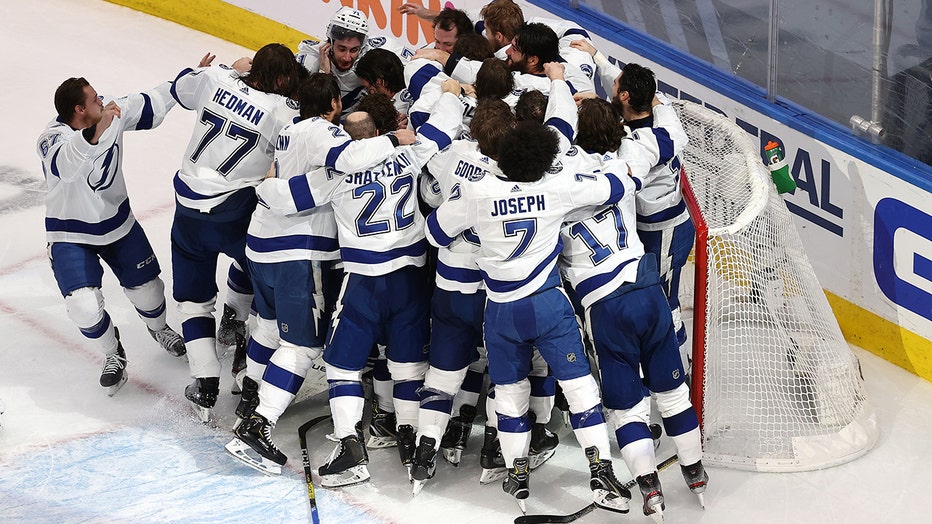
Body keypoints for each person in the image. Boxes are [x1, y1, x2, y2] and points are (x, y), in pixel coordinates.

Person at [423, 63, 625, 513]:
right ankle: (600, 469)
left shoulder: (478, 193)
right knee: (580, 389)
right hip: (549, 305)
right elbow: (616, 185)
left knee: (508, 392)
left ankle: (515, 473)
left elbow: (435, 233)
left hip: (500, 311)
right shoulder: (557, 188)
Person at [255, 80, 459, 489]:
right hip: (410, 279)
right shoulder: (410, 153)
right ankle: (409, 438)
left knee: (341, 366)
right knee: (408, 365)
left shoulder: (332, 174)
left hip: (363, 282)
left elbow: (282, 199)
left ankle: (350, 444)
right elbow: (443, 129)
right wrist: (450, 92)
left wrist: (266, 180)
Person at [226, 73, 412, 475]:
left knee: (270, 328)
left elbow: (278, 192)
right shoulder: (342, 153)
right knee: (303, 348)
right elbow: (343, 163)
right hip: (299, 255)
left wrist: (264, 186)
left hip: (261, 243)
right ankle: (258, 424)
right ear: (332, 106)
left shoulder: (291, 129)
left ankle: (250, 400)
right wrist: (400, 140)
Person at [560, 97, 708, 518]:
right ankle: (694, 471)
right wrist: (657, 105)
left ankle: (649, 488)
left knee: (626, 409)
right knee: (674, 394)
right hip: (647, 290)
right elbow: (667, 136)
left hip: (604, 307)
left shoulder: (555, 183)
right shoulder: (626, 163)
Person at [169, 43, 304, 423]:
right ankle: (250, 371)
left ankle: (205, 382)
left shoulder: (215, 79)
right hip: (235, 213)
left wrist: (230, 71)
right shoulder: (283, 111)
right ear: (279, 79)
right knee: (266, 286)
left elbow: (181, 84)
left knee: (194, 302)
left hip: (188, 213)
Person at [37, 73, 190, 396]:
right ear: (79, 110)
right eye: (94, 100)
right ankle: (112, 352)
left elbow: (153, 100)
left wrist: (196, 76)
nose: (102, 101)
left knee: (150, 292)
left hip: (117, 224)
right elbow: (67, 166)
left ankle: (159, 329)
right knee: (83, 306)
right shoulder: (51, 138)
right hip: (70, 234)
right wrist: (99, 130)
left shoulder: (110, 113)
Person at [296, 6, 413, 117]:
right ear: (330, 42)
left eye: (353, 50)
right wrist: (323, 73)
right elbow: (306, 112)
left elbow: (420, 65)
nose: (347, 58)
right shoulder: (310, 59)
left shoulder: (380, 48)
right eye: (342, 49)